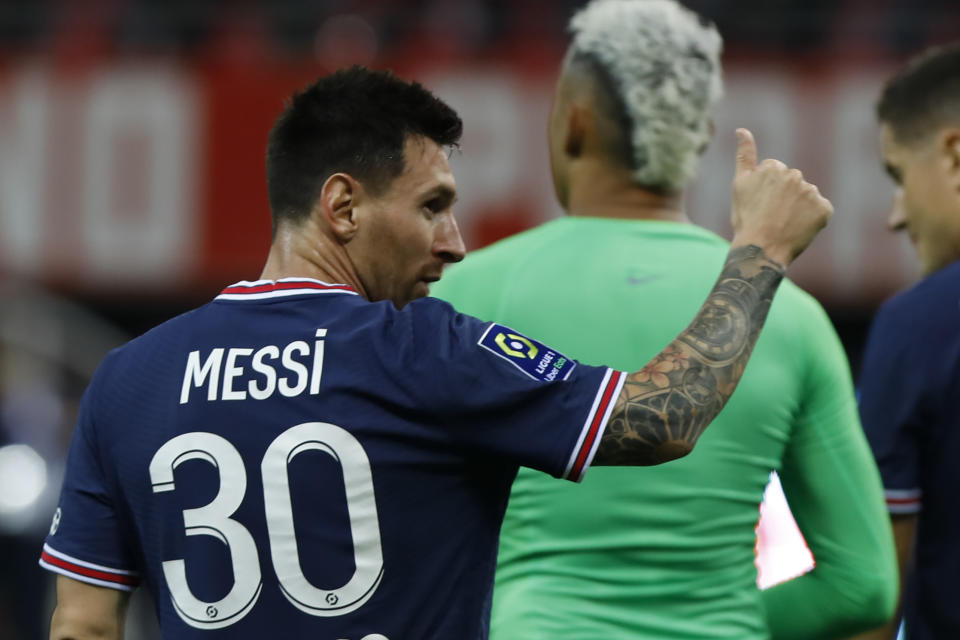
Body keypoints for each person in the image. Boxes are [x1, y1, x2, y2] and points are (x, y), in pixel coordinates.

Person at [39, 65, 831, 639]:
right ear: (342, 205)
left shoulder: (128, 379)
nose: (453, 244)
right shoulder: (424, 352)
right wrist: (759, 251)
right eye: (433, 207)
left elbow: (81, 626)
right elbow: (665, 417)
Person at [431, 1, 896, 638]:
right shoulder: (789, 314)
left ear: (574, 123)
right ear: (702, 135)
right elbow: (863, 587)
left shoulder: (463, 292)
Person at [855, 42, 960, 640]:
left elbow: (872, 595)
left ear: (952, 155)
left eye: (898, 175)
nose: (896, 215)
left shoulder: (917, 327)